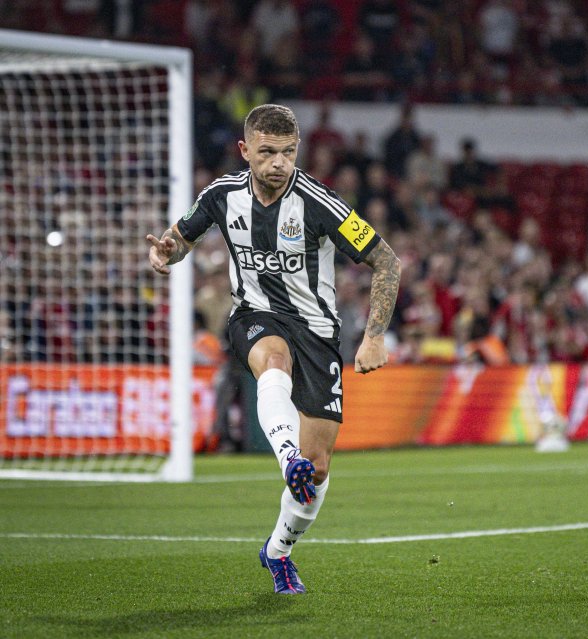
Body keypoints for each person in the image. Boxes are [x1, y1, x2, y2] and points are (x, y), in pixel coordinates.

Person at [145, 104, 401, 594]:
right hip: (255, 316)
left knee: (319, 469)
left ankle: (279, 550)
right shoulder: (222, 195)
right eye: (267, 152)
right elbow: (181, 237)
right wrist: (166, 252)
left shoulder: (320, 203)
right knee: (273, 362)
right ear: (245, 151)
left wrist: (373, 335)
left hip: (319, 333)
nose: (279, 163)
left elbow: (386, 261)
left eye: (288, 152)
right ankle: (288, 459)